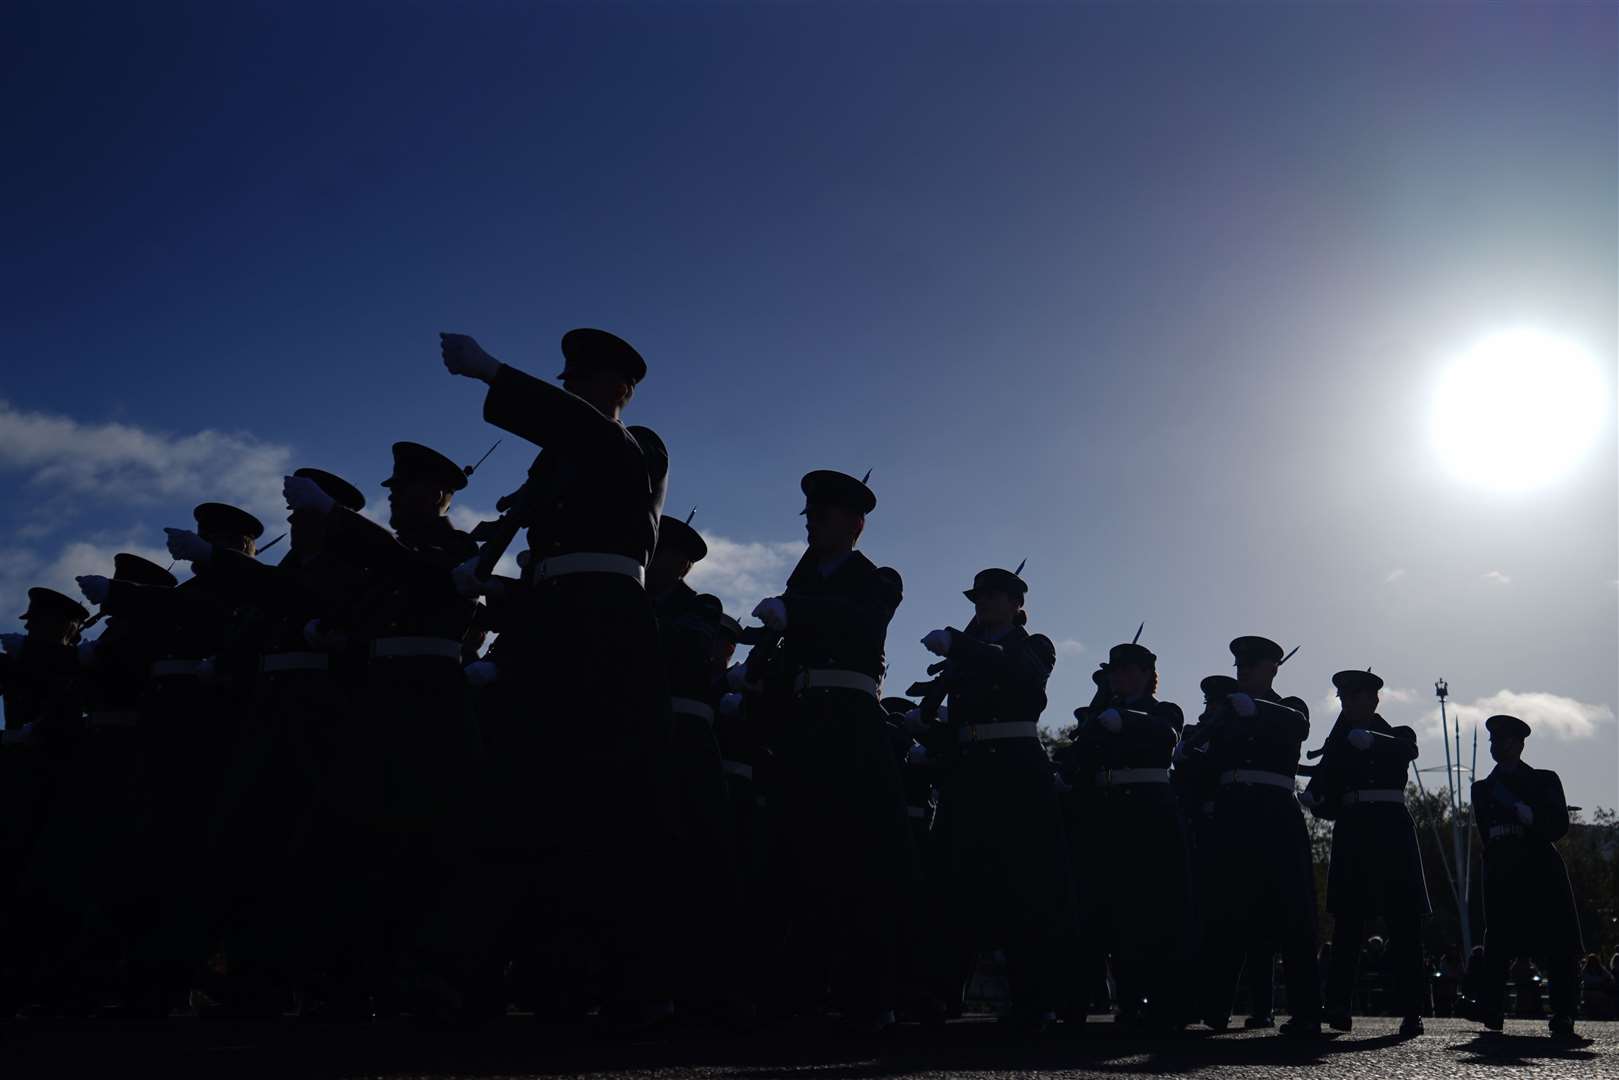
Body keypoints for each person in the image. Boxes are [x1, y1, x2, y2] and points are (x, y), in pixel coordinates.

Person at [439, 328, 673, 1030]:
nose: (567, 383)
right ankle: (512, 970)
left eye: (579, 376)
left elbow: (595, 440)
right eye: (564, 375)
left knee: (605, 802)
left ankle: (615, 980)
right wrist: (487, 566)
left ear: (618, 389)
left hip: (604, 626)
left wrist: (496, 376)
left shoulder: (638, 444)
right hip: (546, 624)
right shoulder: (556, 462)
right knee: (520, 793)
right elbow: (531, 526)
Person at [284, 445, 486, 1016]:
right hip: (376, 700)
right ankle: (348, 976)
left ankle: (425, 975)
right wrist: (336, 631)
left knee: (424, 840)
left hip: (430, 701)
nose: (393, 496)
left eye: (404, 488)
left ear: (439, 495)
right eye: (393, 489)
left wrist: (339, 518)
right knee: (356, 836)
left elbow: (417, 572)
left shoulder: (459, 549)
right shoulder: (385, 556)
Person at [742, 468, 911, 1032]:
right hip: (803, 726)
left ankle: (866, 994)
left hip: (852, 727)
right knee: (794, 856)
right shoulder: (804, 579)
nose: (812, 521)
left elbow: (862, 620)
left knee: (860, 862)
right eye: (810, 513)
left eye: (824, 513)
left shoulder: (878, 579)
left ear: (855, 522)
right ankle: (794, 986)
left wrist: (799, 611)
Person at [918, 567, 1071, 1030]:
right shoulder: (967, 653)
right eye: (978, 597)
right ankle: (941, 993)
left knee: (1024, 885)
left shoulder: (1034, 644)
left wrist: (962, 647)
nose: (982, 604)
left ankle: (1033, 998)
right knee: (953, 878)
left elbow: (1020, 671)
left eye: (992, 596)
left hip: (1017, 772)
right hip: (969, 771)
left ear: (1015, 602)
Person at [1196, 636, 1322, 1037]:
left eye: (1251, 664)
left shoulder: (1289, 706)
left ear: (1273, 668)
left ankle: (1305, 1013)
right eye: (1240, 666)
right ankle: (1216, 1007)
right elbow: (1209, 756)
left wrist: (1258, 711)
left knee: (1292, 914)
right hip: (1233, 811)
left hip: (1275, 813)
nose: (1243, 670)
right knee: (1226, 909)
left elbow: (1298, 726)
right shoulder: (1228, 712)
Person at [1066, 640, 1191, 1030]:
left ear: (1146, 675)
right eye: (1114, 671)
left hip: (1149, 815)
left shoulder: (1163, 709)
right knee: (1103, 907)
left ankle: (1155, 1000)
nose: (1118, 677)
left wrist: (1127, 720)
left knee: (1149, 910)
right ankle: (1107, 998)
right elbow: (1078, 757)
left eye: (1125, 670)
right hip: (1104, 816)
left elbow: (1166, 735)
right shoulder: (1101, 713)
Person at [1300, 668, 1430, 1036]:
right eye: (1343, 698)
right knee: (1348, 923)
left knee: (1404, 923)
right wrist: (1317, 800)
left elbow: (1408, 749)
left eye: (1354, 697)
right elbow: (1331, 793)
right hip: (1354, 828)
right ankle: (1338, 1005)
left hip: (1391, 828)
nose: (1347, 704)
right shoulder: (1339, 743)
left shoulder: (1397, 733)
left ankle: (1412, 1009)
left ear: (1373, 698)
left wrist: (1372, 740)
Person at [1470, 713, 1583, 1038]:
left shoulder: (1544, 780)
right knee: (1499, 939)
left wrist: (1532, 817)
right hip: (1503, 868)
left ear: (1519, 744)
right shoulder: (1483, 789)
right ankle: (1492, 1007)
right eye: (1493, 740)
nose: (1496, 745)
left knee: (1557, 941)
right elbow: (1488, 833)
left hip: (1539, 868)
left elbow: (1558, 825)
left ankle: (1564, 1013)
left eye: (1503, 740)